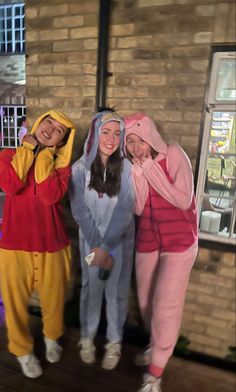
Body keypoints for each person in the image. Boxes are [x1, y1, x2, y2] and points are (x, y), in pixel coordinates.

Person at [124, 113, 198, 392]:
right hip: (149, 240)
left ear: (151, 135)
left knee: (166, 304)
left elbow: (182, 199)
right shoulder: (135, 165)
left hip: (179, 242)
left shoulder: (174, 154)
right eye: (129, 141)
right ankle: (156, 345)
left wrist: (152, 169)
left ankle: (155, 373)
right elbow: (139, 208)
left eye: (139, 139)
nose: (135, 147)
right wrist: (138, 173)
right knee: (146, 302)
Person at [0, 110, 76, 379]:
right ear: (38, 121)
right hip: (13, 245)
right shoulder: (9, 155)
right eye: (48, 122)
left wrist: (44, 155)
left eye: (59, 130)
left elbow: (48, 196)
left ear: (62, 140)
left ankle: (52, 337)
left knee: (54, 300)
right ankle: (21, 350)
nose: (50, 129)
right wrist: (28, 150)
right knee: (15, 303)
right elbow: (10, 185)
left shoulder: (61, 166)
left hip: (52, 244)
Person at [69, 109, 135, 370]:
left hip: (119, 244)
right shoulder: (79, 169)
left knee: (117, 292)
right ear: (95, 134)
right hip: (90, 244)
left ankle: (114, 343)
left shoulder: (126, 167)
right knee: (90, 290)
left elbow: (125, 210)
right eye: (106, 132)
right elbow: (79, 211)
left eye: (117, 133)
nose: (111, 138)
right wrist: (97, 248)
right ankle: (87, 338)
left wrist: (105, 248)